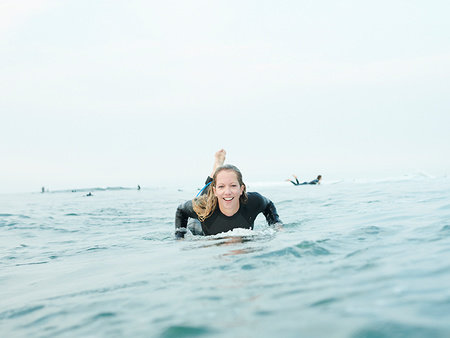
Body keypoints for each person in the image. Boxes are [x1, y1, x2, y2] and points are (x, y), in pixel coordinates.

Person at [175, 149, 283, 238]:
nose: (228, 192)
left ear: (242, 189)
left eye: (233, 185)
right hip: (206, 208)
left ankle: (219, 173)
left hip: (217, 193)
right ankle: (217, 168)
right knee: (194, 226)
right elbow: (181, 210)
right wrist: (180, 236)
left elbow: (268, 204)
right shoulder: (203, 206)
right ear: (215, 191)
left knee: (223, 185)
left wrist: (276, 224)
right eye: (221, 187)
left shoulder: (253, 202)